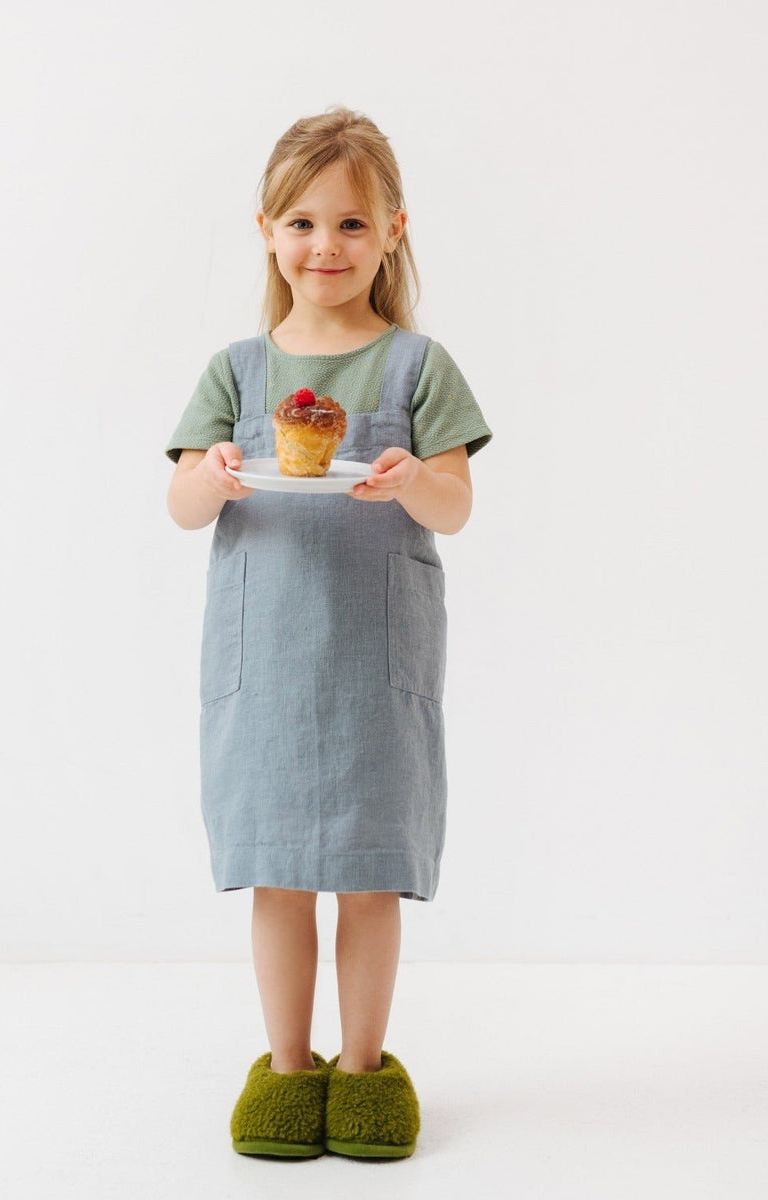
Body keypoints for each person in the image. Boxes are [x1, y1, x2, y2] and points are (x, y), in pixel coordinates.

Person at [164, 106, 492, 1160]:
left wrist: (413, 479)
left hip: (373, 667)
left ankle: (362, 1071)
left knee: (365, 873)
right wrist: (210, 476)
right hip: (264, 668)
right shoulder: (238, 372)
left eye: (352, 225)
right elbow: (180, 502)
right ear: (266, 229)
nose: (325, 247)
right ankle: (288, 1068)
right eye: (302, 223)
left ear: (394, 230)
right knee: (277, 874)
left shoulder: (416, 369)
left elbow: (457, 505)